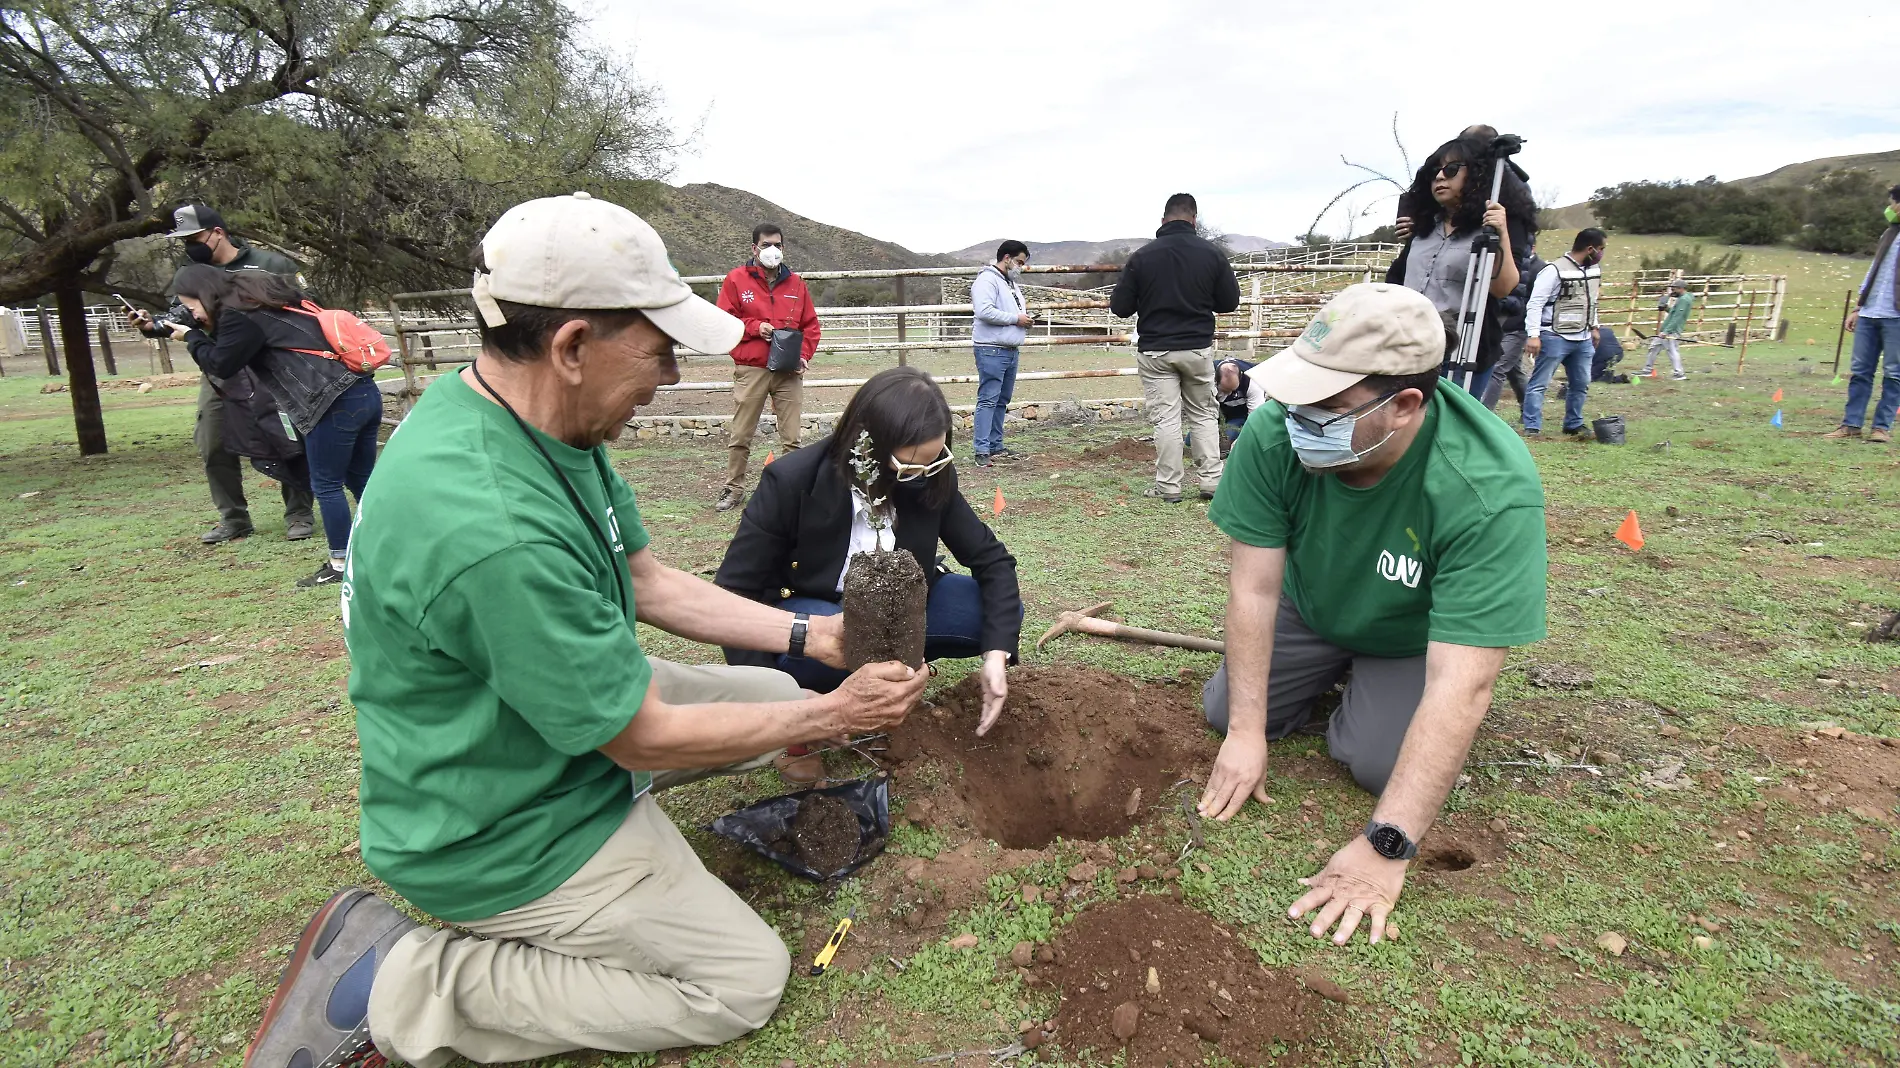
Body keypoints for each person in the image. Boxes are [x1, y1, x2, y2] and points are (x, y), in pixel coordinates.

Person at [238, 193, 927, 1068]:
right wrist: (836, 717)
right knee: (741, 980)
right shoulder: (489, 524)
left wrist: (815, 643)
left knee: (775, 689)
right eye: (659, 350)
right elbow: (641, 733)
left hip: (542, 731)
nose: (670, 377)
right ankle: (398, 983)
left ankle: (752, 728)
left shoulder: (535, 422)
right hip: (504, 825)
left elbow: (644, 578)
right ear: (571, 346)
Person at [1197, 282, 1547, 946]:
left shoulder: (1488, 487)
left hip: (1410, 639)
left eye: (1326, 407)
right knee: (1223, 713)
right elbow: (1254, 591)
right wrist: (1246, 732)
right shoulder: (1277, 433)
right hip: (1311, 606)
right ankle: (1329, 681)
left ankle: (1372, 693)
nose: (1297, 418)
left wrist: (1387, 846)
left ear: (1404, 406)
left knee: (1377, 765)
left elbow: (1463, 681)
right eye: (1296, 399)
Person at [716, 366, 1023, 734]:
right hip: (823, 609)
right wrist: (779, 707)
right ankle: (822, 694)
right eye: (908, 467)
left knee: (986, 613)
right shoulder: (792, 480)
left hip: (905, 606)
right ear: (868, 446)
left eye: (933, 461)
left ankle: (900, 673)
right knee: (816, 649)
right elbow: (736, 590)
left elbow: (992, 560)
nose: (921, 476)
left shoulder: (929, 473)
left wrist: (996, 655)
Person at [164, 266, 383, 587]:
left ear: (204, 294)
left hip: (329, 401)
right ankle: (392, 547)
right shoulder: (265, 304)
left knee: (327, 485)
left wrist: (192, 337)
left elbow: (223, 363)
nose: (193, 314)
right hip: (362, 392)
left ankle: (339, 562)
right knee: (361, 480)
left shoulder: (239, 316)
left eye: (192, 306)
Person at [130, 203, 315, 544]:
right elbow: (181, 317)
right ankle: (234, 519)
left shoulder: (271, 265)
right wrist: (151, 325)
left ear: (218, 233)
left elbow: (305, 309)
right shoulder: (191, 273)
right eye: (184, 240)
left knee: (286, 438)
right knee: (212, 441)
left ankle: (299, 513)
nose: (190, 246)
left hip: (270, 368)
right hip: (219, 366)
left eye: (195, 237)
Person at [1109, 193, 1240, 503]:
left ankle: (1169, 487)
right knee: (1204, 415)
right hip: (1196, 348)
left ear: (1163, 219)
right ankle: (1211, 482)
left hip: (1156, 350)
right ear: (1194, 219)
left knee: (1166, 419)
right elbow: (1229, 302)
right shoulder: (1212, 254)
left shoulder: (1143, 257)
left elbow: (1120, 307)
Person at [1386, 135, 1534, 390]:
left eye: (1451, 170)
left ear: (1476, 176)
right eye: (1435, 172)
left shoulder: (1490, 227)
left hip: (1462, 348)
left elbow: (1503, 288)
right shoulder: (1422, 226)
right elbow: (1397, 280)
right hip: (1409, 342)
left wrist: (1501, 234)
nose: (1441, 177)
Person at [715, 223, 820, 510]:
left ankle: (791, 492)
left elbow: (810, 326)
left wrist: (804, 355)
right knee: (741, 434)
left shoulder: (796, 284)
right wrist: (754, 327)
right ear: (754, 248)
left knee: (792, 437)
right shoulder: (736, 280)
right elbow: (725, 319)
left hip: (788, 371)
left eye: (777, 245)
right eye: (766, 245)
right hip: (752, 368)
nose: (772, 250)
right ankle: (734, 488)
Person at [1822, 184, 1900, 444]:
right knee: (1860, 372)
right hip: (1870, 312)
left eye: (1893, 203)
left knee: (1894, 373)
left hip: (1896, 317)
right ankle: (1851, 424)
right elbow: (1874, 271)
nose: (1889, 208)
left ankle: (1881, 427)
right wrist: (1859, 307)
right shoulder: (1889, 234)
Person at [1521, 229, 1606, 437]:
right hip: (1554, 335)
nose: (1602, 253)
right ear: (1590, 249)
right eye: (1601, 249)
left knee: (1581, 383)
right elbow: (1536, 303)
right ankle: (1532, 426)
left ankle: (1573, 424)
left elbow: (1591, 301)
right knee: (1539, 383)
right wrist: (1533, 334)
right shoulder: (1554, 270)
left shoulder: (1594, 270)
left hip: (1583, 337)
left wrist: (1594, 326)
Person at [970, 240, 1033, 467]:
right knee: (988, 398)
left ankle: (995, 444)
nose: (1020, 267)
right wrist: (1016, 319)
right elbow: (984, 311)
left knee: (1001, 399)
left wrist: (1022, 319)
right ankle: (982, 449)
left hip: (1008, 349)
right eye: (1018, 261)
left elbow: (1005, 310)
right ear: (1006, 258)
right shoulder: (987, 280)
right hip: (991, 348)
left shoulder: (1009, 283)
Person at [1480, 252, 1543, 411]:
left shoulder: (1540, 269)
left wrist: (1532, 332)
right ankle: (1527, 408)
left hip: (1517, 327)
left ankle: (1485, 413)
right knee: (1514, 372)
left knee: (1497, 368)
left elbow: (1535, 302)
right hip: (1498, 325)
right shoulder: (1506, 262)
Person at [1640, 280, 1694, 380]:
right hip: (1666, 329)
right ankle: (1647, 370)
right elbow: (1674, 313)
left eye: (1674, 289)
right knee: (1653, 347)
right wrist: (1666, 308)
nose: (1672, 291)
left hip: (1671, 331)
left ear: (1681, 289)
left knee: (1672, 351)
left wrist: (1666, 331)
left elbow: (1677, 317)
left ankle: (1679, 373)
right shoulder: (1682, 298)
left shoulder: (1684, 300)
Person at [1214, 356, 1265, 452]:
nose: (1229, 394)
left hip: (1241, 415)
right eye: (1225, 390)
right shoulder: (1207, 375)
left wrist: (1242, 439)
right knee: (1190, 441)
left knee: (1228, 439)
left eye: (1232, 390)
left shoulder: (1252, 380)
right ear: (1216, 380)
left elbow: (1255, 417)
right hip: (1217, 414)